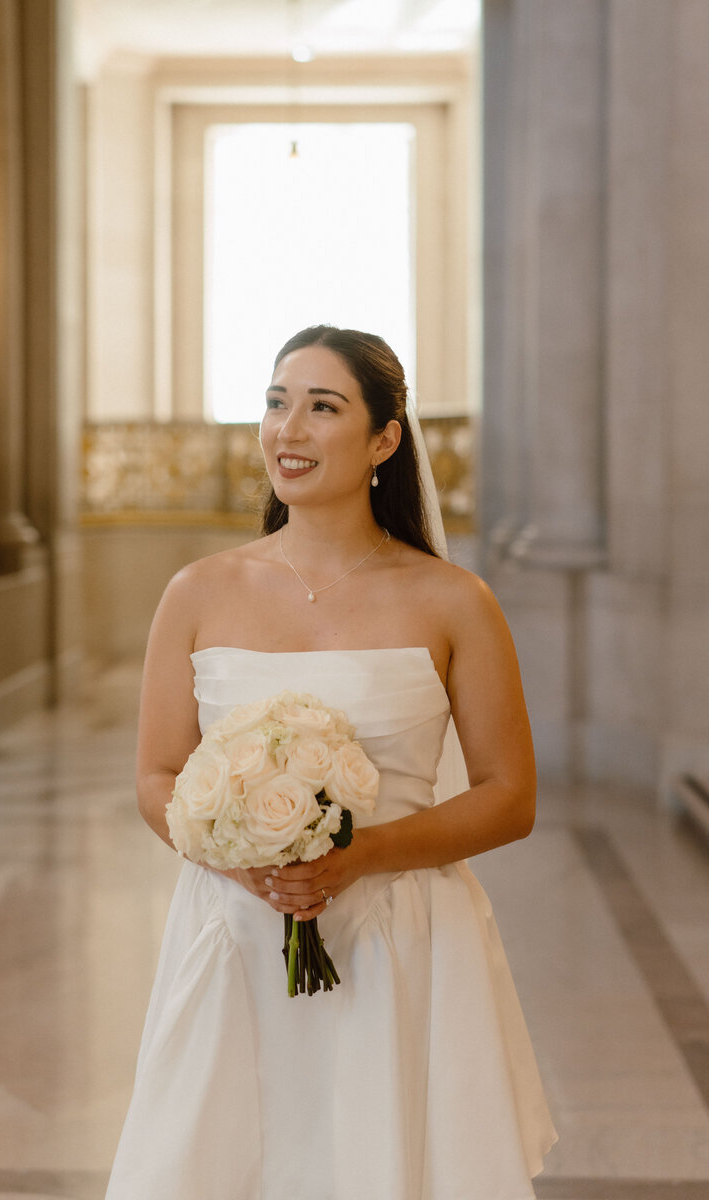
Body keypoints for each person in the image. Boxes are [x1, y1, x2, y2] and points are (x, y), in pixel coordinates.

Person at [105, 326, 557, 1199]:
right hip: (233, 935)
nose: (289, 429)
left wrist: (357, 859)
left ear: (385, 439)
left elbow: (510, 796)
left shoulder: (455, 602)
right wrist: (243, 863)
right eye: (277, 403)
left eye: (323, 407)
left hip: (400, 935)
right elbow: (156, 777)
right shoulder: (197, 593)